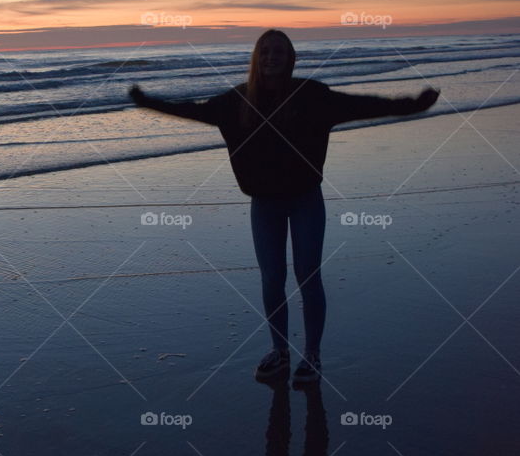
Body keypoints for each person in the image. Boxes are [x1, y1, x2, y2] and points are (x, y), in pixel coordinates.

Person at [128, 29, 440, 384]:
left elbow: (363, 104)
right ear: (256, 59)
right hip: (264, 205)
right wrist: (148, 101)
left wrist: (413, 104)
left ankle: (313, 355)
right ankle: (279, 351)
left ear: (290, 58)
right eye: (265, 52)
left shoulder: (312, 96)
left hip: (305, 199)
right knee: (272, 279)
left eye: (279, 51)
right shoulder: (237, 102)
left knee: (308, 275)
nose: (271, 57)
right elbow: (193, 111)